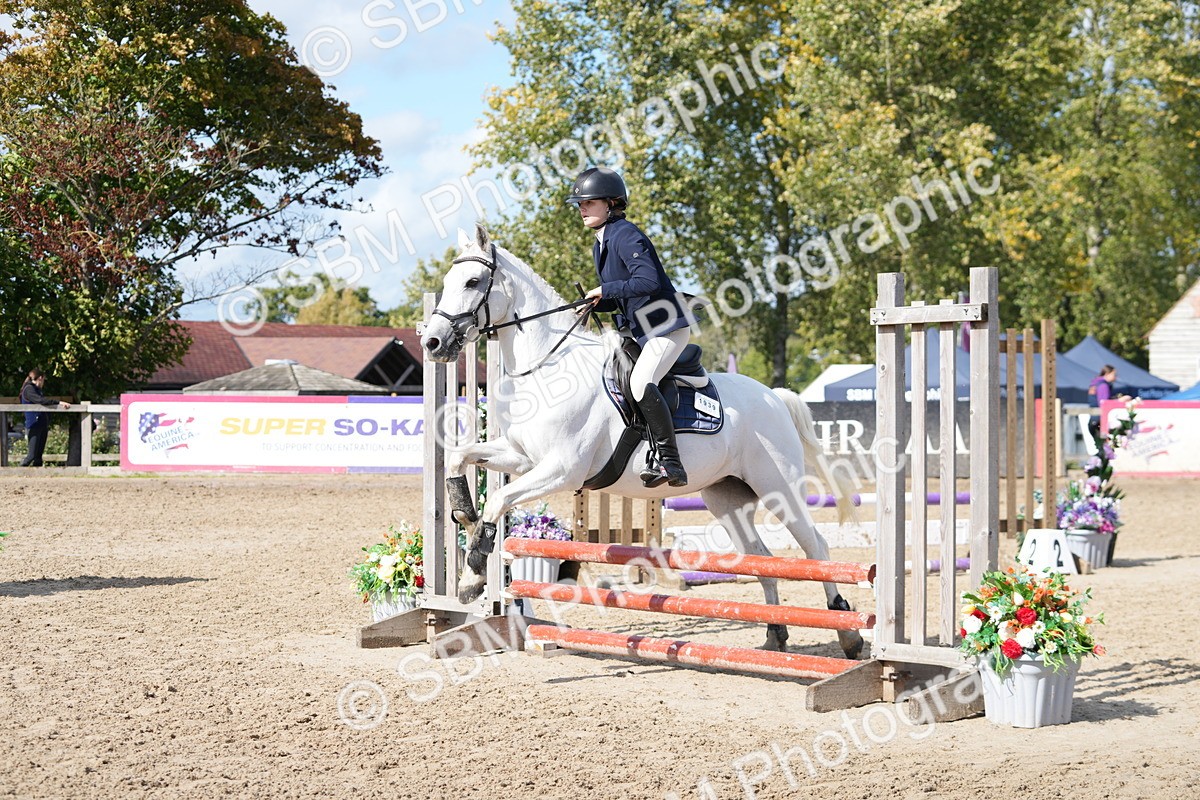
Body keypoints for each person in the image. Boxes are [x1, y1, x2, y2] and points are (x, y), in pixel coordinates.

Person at [568, 166, 691, 488]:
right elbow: (625, 297)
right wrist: (597, 303)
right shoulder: (601, 243)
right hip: (640, 329)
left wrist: (605, 290)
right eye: (580, 203)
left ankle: (671, 463)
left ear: (611, 203)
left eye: (589, 202)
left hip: (665, 326)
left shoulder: (625, 234)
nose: (582, 208)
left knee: (640, 383)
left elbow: (648, 282)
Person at [18, 369, 70, 467]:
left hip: (41, 423)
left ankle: (37, 474)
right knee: (31, 455)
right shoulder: (29, 389)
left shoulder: (36, 390)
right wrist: (59, 402)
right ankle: (18, 471)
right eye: (43, 380)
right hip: (34, 424)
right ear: (40, 378)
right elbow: (40, 400)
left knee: (38, 457)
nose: (43, 383)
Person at [1086, 365, 1118, 445]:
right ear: (1107, 374)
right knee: (1105, 447)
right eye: (1114, 374)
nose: (1116, 377)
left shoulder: (1095, 384)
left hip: (1094, 420)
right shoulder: (1103, 385)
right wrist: (1119, 401)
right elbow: (1104, 404)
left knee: (1101, 446)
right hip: (1100, 421)